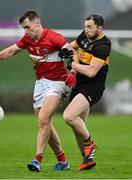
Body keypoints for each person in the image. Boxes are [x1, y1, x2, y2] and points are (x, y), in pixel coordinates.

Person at [0, 10, 76, 172]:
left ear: (37, 23)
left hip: (59, 83)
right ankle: (62, 161)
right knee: (44, 122)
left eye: (27, 27)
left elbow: (73, 53)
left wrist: (73, 74)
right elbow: (12, 50)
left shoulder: (54, 37)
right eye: (24, 28)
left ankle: (37, 159)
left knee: (44, 118)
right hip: (40, 84)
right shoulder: (27, 39)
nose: (26, 31)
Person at [59, 14, 111, 171]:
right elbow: (73, 46)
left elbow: (91, 72)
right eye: (85, 26)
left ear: (99, 28)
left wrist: (73, 64)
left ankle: (90, 144)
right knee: (77, 126)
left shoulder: (103, 46)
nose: (86, 30)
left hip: (93, 87)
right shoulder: (85, 35)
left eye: (90, 27)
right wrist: (65, 51)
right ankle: (88, 161)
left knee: (68, 116)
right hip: (79, 85)